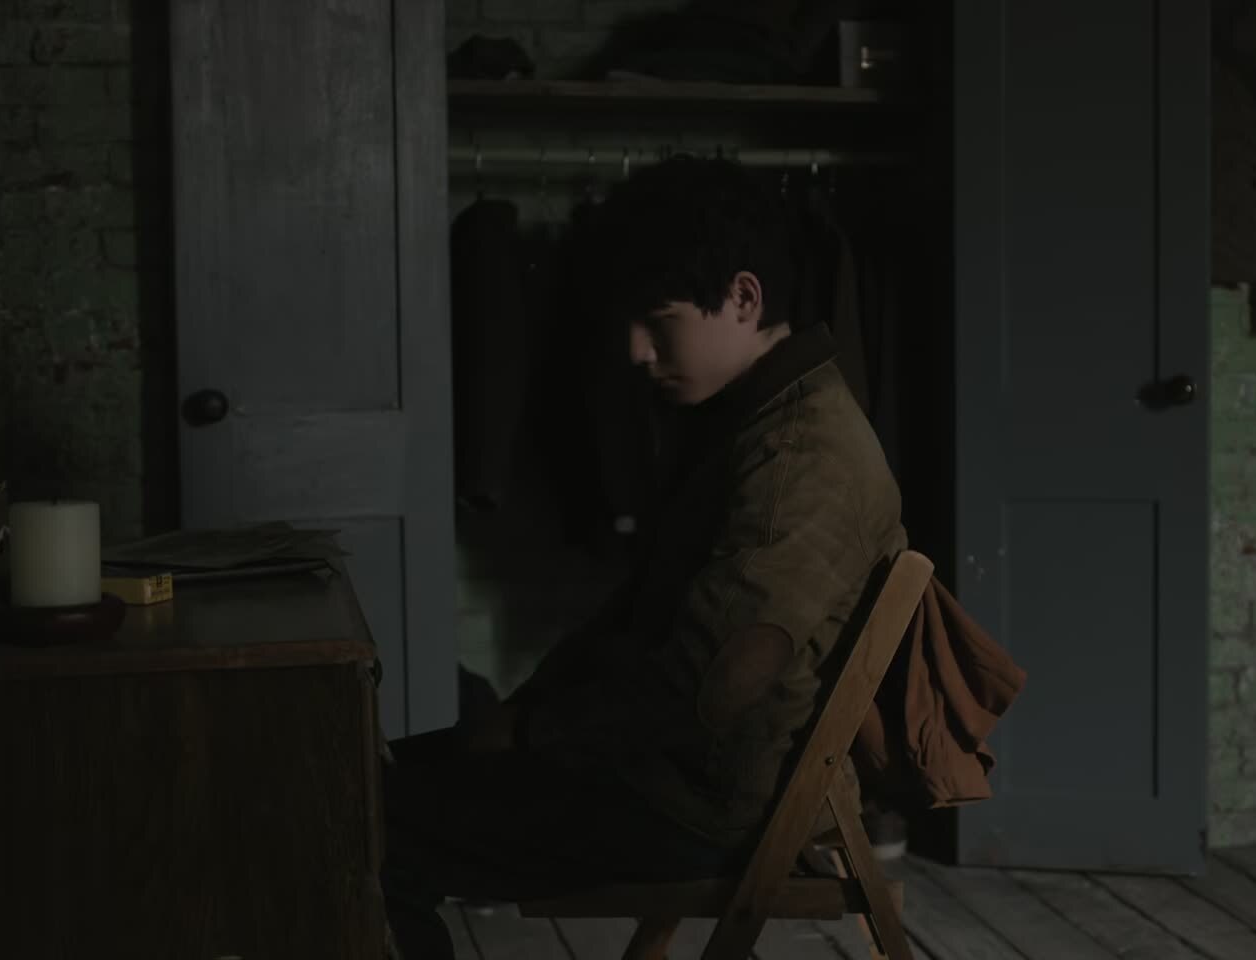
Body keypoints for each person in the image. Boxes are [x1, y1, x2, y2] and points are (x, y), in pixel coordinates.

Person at [382, 155, 908, 960]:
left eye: (658, 321)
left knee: (368, 828)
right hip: (672, 771)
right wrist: (522, 720)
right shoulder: (756, 423)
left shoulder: (798, 462)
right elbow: (642, 629)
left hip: (695, 803)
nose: (635, 350)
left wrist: (532, 733)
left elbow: (711, 685)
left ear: (744, 298)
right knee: (381, 779)